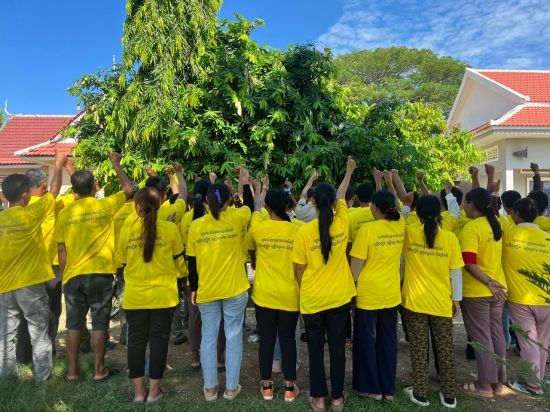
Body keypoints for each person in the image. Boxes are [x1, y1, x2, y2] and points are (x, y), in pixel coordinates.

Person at [55, 152, 134, 381]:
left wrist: (65, 276)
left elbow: (62, 250)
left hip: (73, 276)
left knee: (73, 325)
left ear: (74, 191)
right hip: (100, 274)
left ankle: (72, 372)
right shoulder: (105, 206)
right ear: (94, 187)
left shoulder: (64, 214)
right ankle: (99, 370)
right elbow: (129, 190)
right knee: (100, 324)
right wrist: (116, 165)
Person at [293, 156, 357, 412]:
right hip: (340, 298)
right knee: (338, 350)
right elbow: (341, 195)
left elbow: (299, 268)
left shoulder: (303, 233)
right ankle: (338, 398)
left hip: (312, 300)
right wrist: (349, 171)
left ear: (312, 202)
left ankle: (319, 399)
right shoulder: (342, 223)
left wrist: (303, 287)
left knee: (316, 350)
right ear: (333, 204)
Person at [187, 167, 253, 401]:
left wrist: (194, 288)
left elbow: (191, 262)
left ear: (206, 201)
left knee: (209, 337)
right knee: (233, 336)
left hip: (207, 290)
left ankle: (210, 389)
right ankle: (231, 388)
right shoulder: (237, 218)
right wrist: (243, 182)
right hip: (235, 289)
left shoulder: (197, 226)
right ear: (228, 201)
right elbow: (250, 207)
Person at [0, 151, 66, 383]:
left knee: (5, 337)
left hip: (5, 287)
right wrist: (58, 165)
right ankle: (43, 380)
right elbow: (55, 191)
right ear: (26, 195)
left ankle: (8, 380)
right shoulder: (30, 214)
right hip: (30, 284)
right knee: (39, 332)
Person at [117, 187, 184, 403]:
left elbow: (122, 261)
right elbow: (178, 259)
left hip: (135, 296)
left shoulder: (127, 229)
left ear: (137, 207)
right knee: (159, 342)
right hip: (164, 296)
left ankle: (139, 393)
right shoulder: (170, 229)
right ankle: (154, 392)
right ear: (160, 204)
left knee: (136, 342)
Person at [401, 195, 464, 408]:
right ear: (440, 214)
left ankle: (419, 393)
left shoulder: (408, 234)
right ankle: (449, 396)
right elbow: (455, 273)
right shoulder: (450, 238)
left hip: (414, 301)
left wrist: (406, 205)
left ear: (417, 213)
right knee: (445, 348)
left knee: (419, 348)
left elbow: (399, 219)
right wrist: (457, 301)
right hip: (441, 302)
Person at [16, 159, 75, 362]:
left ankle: (23, 357)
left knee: (26, 316)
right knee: (51, 312)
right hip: (51, 267)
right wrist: (67, 167)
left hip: (25, 269)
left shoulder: (20, 208)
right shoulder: (51, 203)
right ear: (43, 187)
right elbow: (82, 192)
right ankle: (47, 353)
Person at [350, 189, 405, 402]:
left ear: (373, 207)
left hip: (368, 294)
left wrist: (352, 292)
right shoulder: (400, 226)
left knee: (366, 341)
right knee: (388, 342)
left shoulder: (368, 230)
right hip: (391, 294)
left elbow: (356, 268)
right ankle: (388, 389)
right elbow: (399, 208)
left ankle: (370, 388)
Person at [249, 177, 301, 402]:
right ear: (288, 205)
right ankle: (290, 388)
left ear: (269, 207)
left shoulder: (259, 228)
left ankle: (267, 386)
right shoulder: (298, 230)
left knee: (267, 340)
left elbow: (257, 208)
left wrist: (259, 188)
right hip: (290, 294)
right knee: (288, 340)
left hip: (264, 295)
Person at [459, 187, 507, 398]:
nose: (464, 207)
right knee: (496, 334)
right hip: (498, 289)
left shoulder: (471, 228)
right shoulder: (497, 223)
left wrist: (488, 281)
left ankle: (485, 386)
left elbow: (469, 263)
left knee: (481, 338)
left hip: (479, 289)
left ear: (472, 205)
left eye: (465, 203)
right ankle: (498, 384)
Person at [503, 198, 550, 395]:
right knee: (543, 342)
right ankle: (537, 381)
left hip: (521, 299)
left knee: (528, 342)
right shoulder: (546, 237)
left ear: (515, 213)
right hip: (546, 298)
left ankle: (533, 385)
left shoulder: (510, 232)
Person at [180, 179, 226, 371]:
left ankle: (194, 357)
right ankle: (219, 359)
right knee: (219, 320)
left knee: (195, 318)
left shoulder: (186, 219)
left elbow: (188, 251)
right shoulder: (214, 217)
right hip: (213, 275)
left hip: (194, 276)